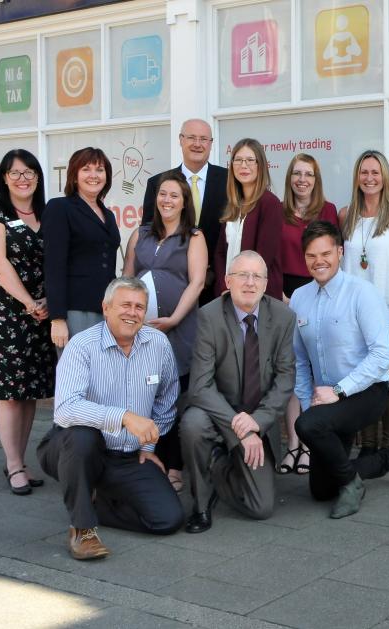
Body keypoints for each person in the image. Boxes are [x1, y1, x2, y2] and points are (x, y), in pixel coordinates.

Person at [37, 277, 183, 560]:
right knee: (83, 436)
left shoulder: (158, 344)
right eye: (125, 305)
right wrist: (124, 417)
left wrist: (148, 448)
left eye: (139, 307)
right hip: (73, 449)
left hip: (127, 456)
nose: (132, 312)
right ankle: (83, 528)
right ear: (106, 308)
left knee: (169, 519)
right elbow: (65, 409)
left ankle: (94, 499)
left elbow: (167, 401)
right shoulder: (82, 346)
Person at [292, 221, 389, 520]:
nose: (319, 261)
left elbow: (383, 356)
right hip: (328, 402)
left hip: (367, 392)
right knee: (322, 489)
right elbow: (299, 359)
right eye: (311, 255)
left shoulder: (363, 293)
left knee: (310, 428)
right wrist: (305, 403)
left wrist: (338, 392)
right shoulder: (300, 298)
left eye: (326, 253)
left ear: (339, 252)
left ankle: (353, 485)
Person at [180, 251, 296, 533]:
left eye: (257, 276)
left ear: (266, 284)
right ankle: (201, 504)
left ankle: (217, 465)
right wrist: (240, 428)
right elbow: (200, 386)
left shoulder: (283, 317)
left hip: (257, 417)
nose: (249, 282)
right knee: (192, 424)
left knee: (261, 507)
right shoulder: (209, 316)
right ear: (228, 281)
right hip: (215, 411)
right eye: (242, 275)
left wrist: (257, 421)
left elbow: (285, 378)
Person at [0, 149, 56, 495]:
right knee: (10, 393)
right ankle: (13, 464)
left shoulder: (48, 213)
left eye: (29, 172)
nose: (23, 178)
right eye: (15, 173)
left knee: (30, 390)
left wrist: (48, 300)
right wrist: (28, 301)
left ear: (38, 176)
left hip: (41, 310)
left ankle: (19, 460)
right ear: (4, 178)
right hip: (5, 310)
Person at [123, 171, 207, 492]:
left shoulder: (194, 237)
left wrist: (173, 319)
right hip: (142, 331)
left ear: (184, 202)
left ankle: (175, 465)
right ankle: (146, 458)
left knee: (176, 394)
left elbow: (197, 282)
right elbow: (128, 279)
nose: (167, 200)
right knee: (148, 392)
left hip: (179, 328)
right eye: (163, 194)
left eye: (174, 195)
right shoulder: (139, 234)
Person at [339, 149, 389, 458]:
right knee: (362, 379)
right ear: (357, 177)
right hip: (355, 315)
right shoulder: (346, 216)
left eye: (375, 172)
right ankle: (368, 447)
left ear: (384, 176)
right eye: (364, 172)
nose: (369, 178)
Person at [277, 153, 339, 476]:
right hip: (287, 297)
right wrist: (282, 297)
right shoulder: (279, 211)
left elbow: (333, 257)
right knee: (291, 373)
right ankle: (292, 445)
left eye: (309, 175)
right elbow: (271, 258)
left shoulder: (328, 211)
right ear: (290, 178)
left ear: (316, 180)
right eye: (297, 174)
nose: (303, 180)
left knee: (316, 372)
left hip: (318, 292)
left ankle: (311, 445)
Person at [141, 119, 228, 305]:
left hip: (219, 287)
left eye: (203, 139)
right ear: (180, 140)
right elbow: (149, 234)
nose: (197, 144)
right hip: (170, 285)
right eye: (191, 137)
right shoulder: (157, 183)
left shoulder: (229, 182)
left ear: (211, 143)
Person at [42, 147, 120, 350]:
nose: (94, 175)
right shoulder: (60, 208)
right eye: (86, 169)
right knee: (76, 374)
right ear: (74, 176)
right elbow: (54, 265)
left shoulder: (108, 215)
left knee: (101, 375)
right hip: (75, 309)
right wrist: (57, 318)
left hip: (105, 308)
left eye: (100, 169)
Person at [213, 138, 282, 301]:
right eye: (238, 160)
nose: (244, 165)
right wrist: (225, 287)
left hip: (257, 297)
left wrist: (237, 288)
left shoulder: (270, 203)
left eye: (250, 160)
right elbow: (220, 253)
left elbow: (261, 259)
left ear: (261, 165)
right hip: (229, 293)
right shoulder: (232, 205)